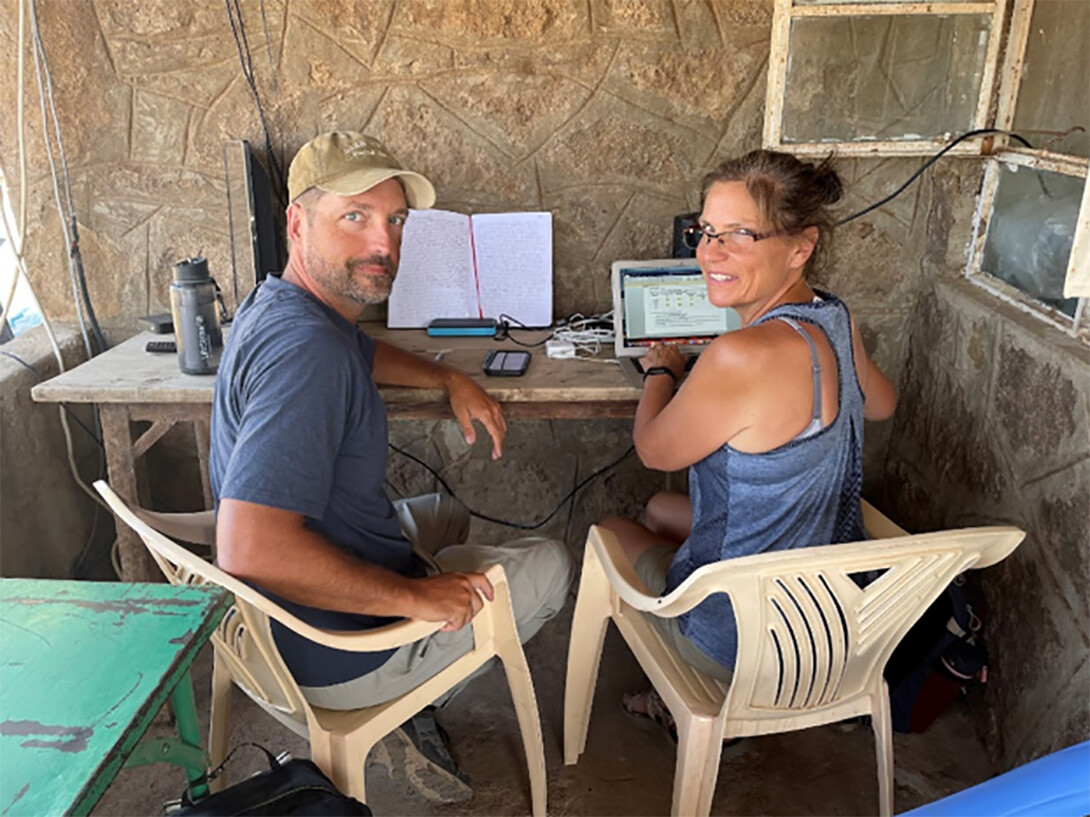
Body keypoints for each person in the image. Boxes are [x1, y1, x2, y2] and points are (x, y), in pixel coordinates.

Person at [209, 131, 574, 802]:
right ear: (297, 222)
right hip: (330, 649)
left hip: (267, 623)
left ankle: (413, 669)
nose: (384, 243)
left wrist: (445, 378)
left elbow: (358, 349)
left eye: (395, 220)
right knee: (551, 563)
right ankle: (399, 704)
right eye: (355, 217)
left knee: (444, 511)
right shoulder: (305, 357)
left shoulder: (284, 306)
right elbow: (250, 546)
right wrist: (415, 598)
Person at [603, 149, 897, 737]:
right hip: (834, 618)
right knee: (662, 509)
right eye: (706, 232)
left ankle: (687, 699)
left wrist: (662, 371)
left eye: (739, 234)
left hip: (743, 640)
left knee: (612, 530)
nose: (710, 253)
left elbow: (655, 451)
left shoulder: (741, 355)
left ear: (800, 246)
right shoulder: (835, 317)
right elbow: (883, 404)